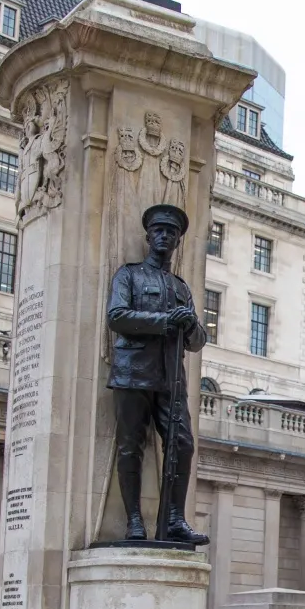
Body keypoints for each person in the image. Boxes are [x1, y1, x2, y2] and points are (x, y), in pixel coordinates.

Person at [107, 203, 209, 545]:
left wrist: (191, 323)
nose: (165, 236)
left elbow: (197, 342)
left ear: (179, 240)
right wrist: (165, 322)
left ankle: (175, 519)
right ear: (149, 236)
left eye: (172, 233)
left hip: (170, 377)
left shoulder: (182, 288)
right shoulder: (130, 275)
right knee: (129, 447)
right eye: (159, 231)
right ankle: (134, 519)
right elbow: (118, 316)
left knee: (183, 443)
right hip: (132, 372)